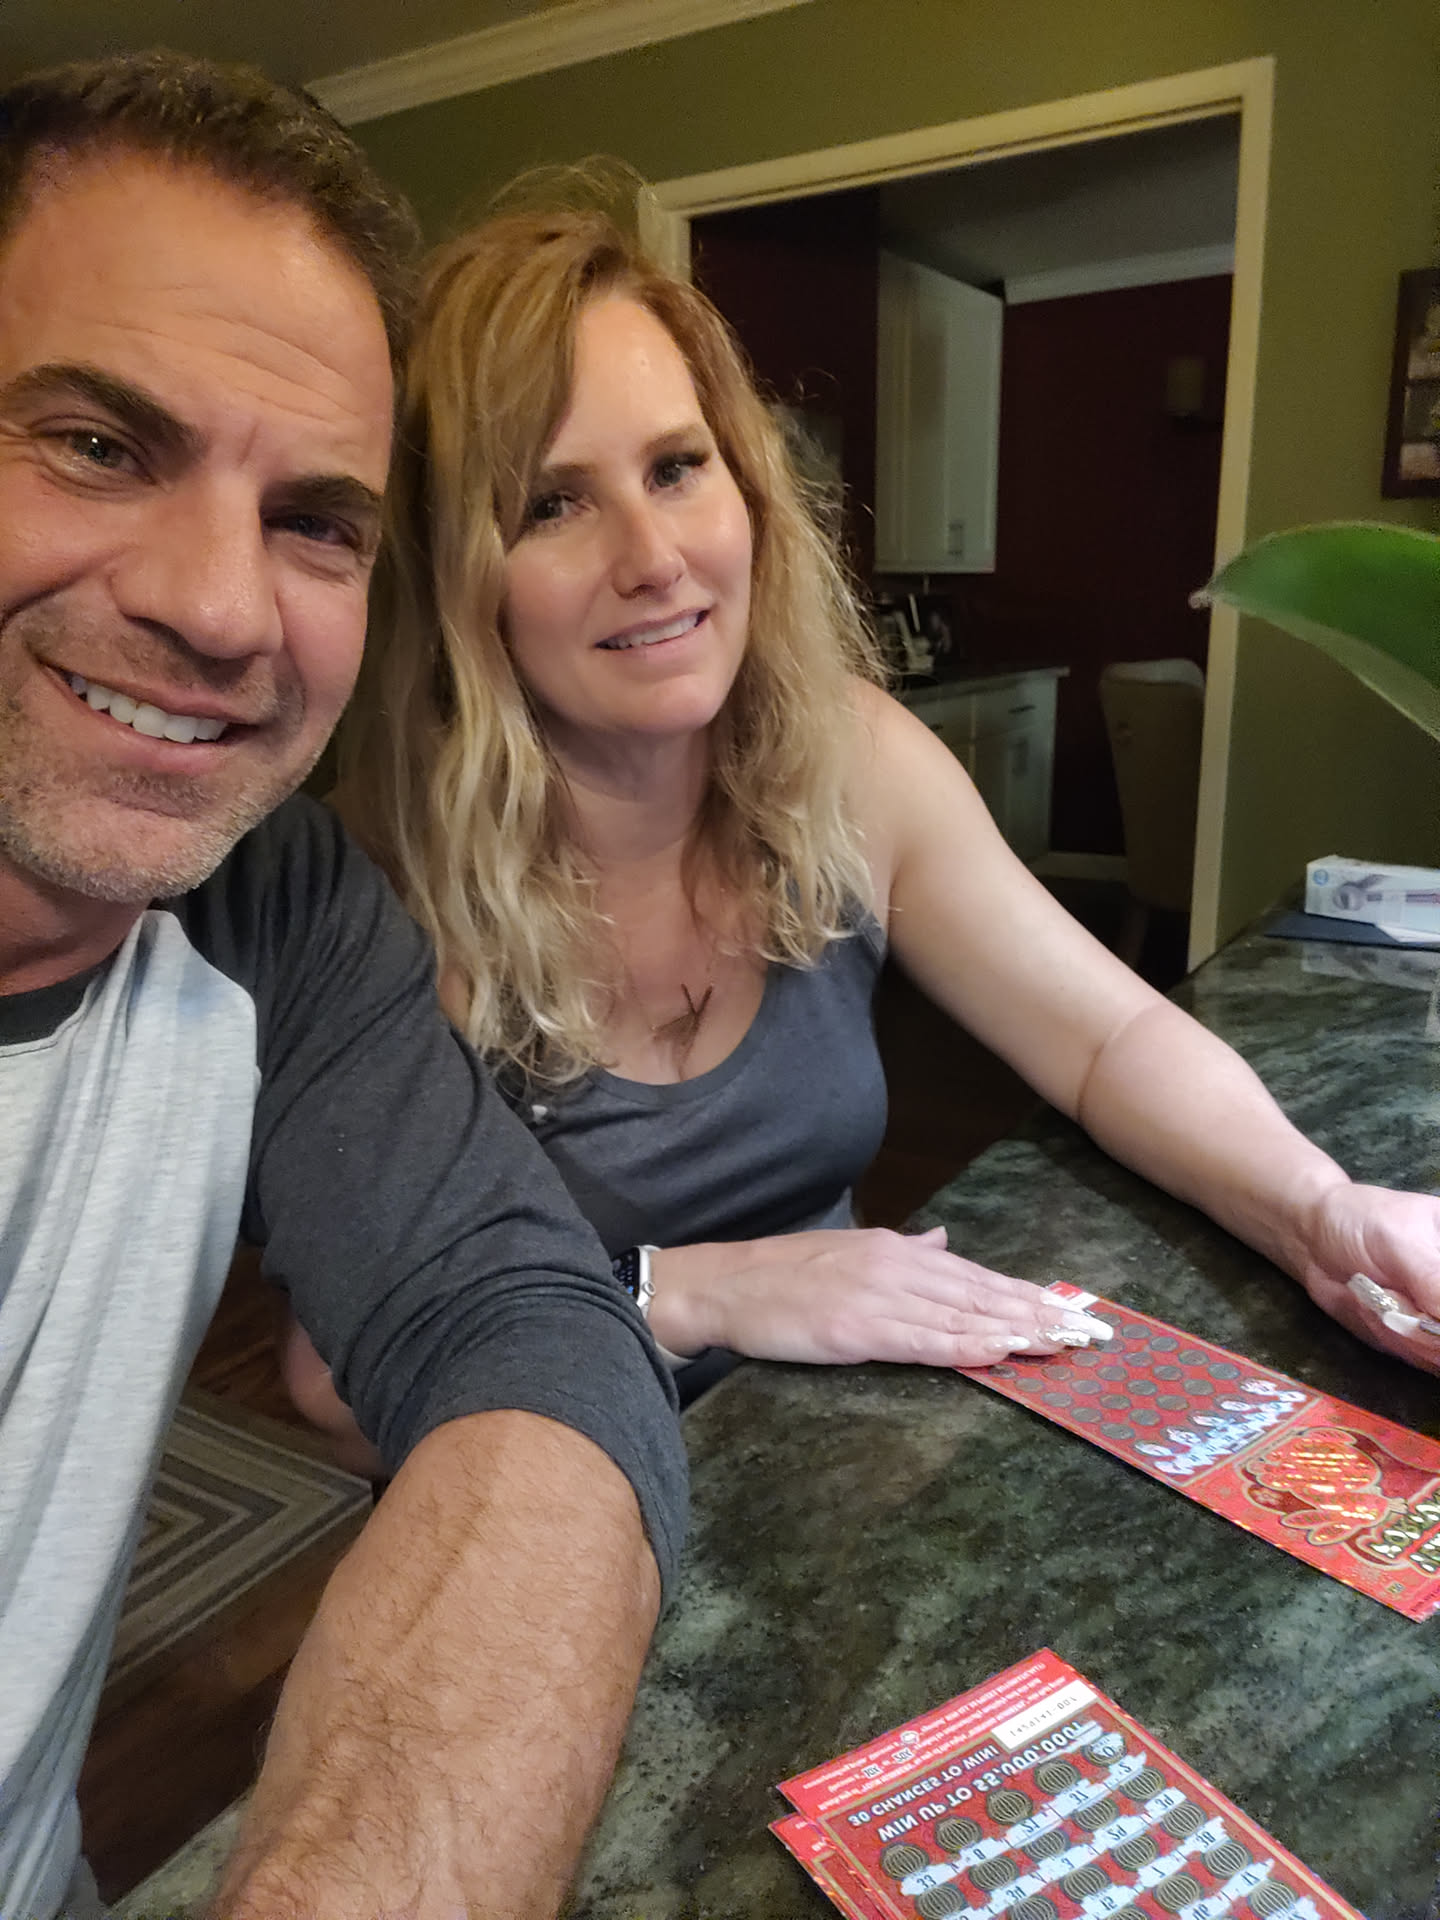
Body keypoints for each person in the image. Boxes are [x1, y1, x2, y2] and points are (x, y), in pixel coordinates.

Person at [332, 185, 1440, 1413]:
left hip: (836, 1435)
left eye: (677, 467)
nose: (653, 558)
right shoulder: (378, 888)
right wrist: (698, 1291)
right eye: (552, 503)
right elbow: (332, 1375)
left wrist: (1322, 1211)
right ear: (454, 574)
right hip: (542, 1467)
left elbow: (1105, 1037)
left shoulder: (852, 757)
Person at [0, 64, 686, 1920]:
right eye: (97, 445)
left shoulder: (274, 912)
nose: (223, 609)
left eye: (317, 519)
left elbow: (519, 1321)